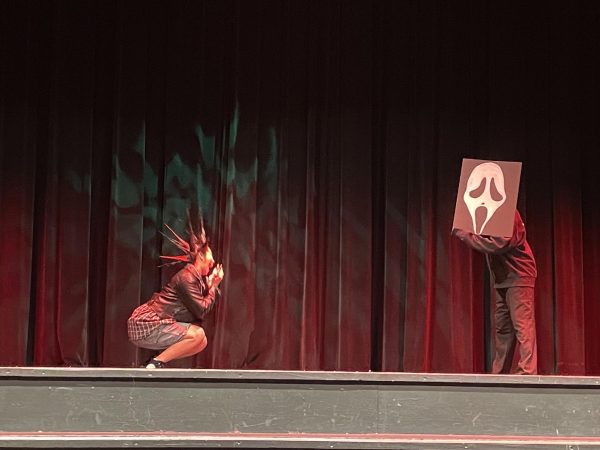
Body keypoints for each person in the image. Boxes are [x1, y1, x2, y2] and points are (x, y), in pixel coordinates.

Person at [127, 212, 224, 368]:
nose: (212, 262)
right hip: (146, 323)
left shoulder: (194, 277)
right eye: (210, 258)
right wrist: (213, 286)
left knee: (201, 342)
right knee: (197, 335)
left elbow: (197, 306)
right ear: (200, 258)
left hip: (159, 322)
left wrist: (211, 284)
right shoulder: (186, 278)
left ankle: (157, 359)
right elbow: (201, 310)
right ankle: (155, 364)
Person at [452, 209, 538, 375]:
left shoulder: (508, 212)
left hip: (519, 274)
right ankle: (499, 373)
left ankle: (528, 371)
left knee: (522, 325)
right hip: (503, 277)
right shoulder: (491, 214)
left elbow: (498, 244)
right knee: (503, 328)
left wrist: (465, 234)